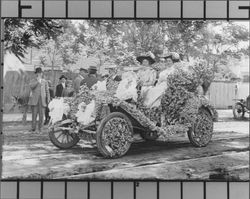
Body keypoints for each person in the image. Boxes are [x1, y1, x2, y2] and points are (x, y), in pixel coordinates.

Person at [28, 67, 50, 133]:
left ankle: (40, 129)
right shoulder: (33, 80)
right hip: (35, 100)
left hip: (42, 101)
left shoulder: (45, 81)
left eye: (40, 73)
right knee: (34, 115)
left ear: (42, 73)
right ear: (36, 74)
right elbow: (31, 87)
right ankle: (33, 128)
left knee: (41, 115)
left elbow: (47, 91)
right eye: (38, 73)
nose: (39, 74)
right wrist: (37, 81)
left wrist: (48, 99)